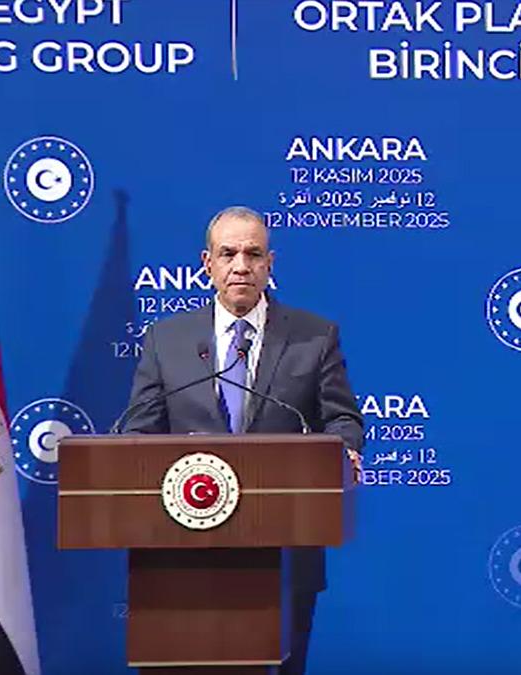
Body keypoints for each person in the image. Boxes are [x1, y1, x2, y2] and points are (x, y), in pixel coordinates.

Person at [122, 205, 364, 675]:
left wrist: (344, 449)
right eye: (228, 253)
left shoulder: (314, 337)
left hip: (284, 552)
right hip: (182, 555)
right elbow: (139, 430)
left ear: (270, 264)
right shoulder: (166, 340)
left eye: (253, 254)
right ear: (207, 263)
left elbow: (342, 419)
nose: (241, 266)